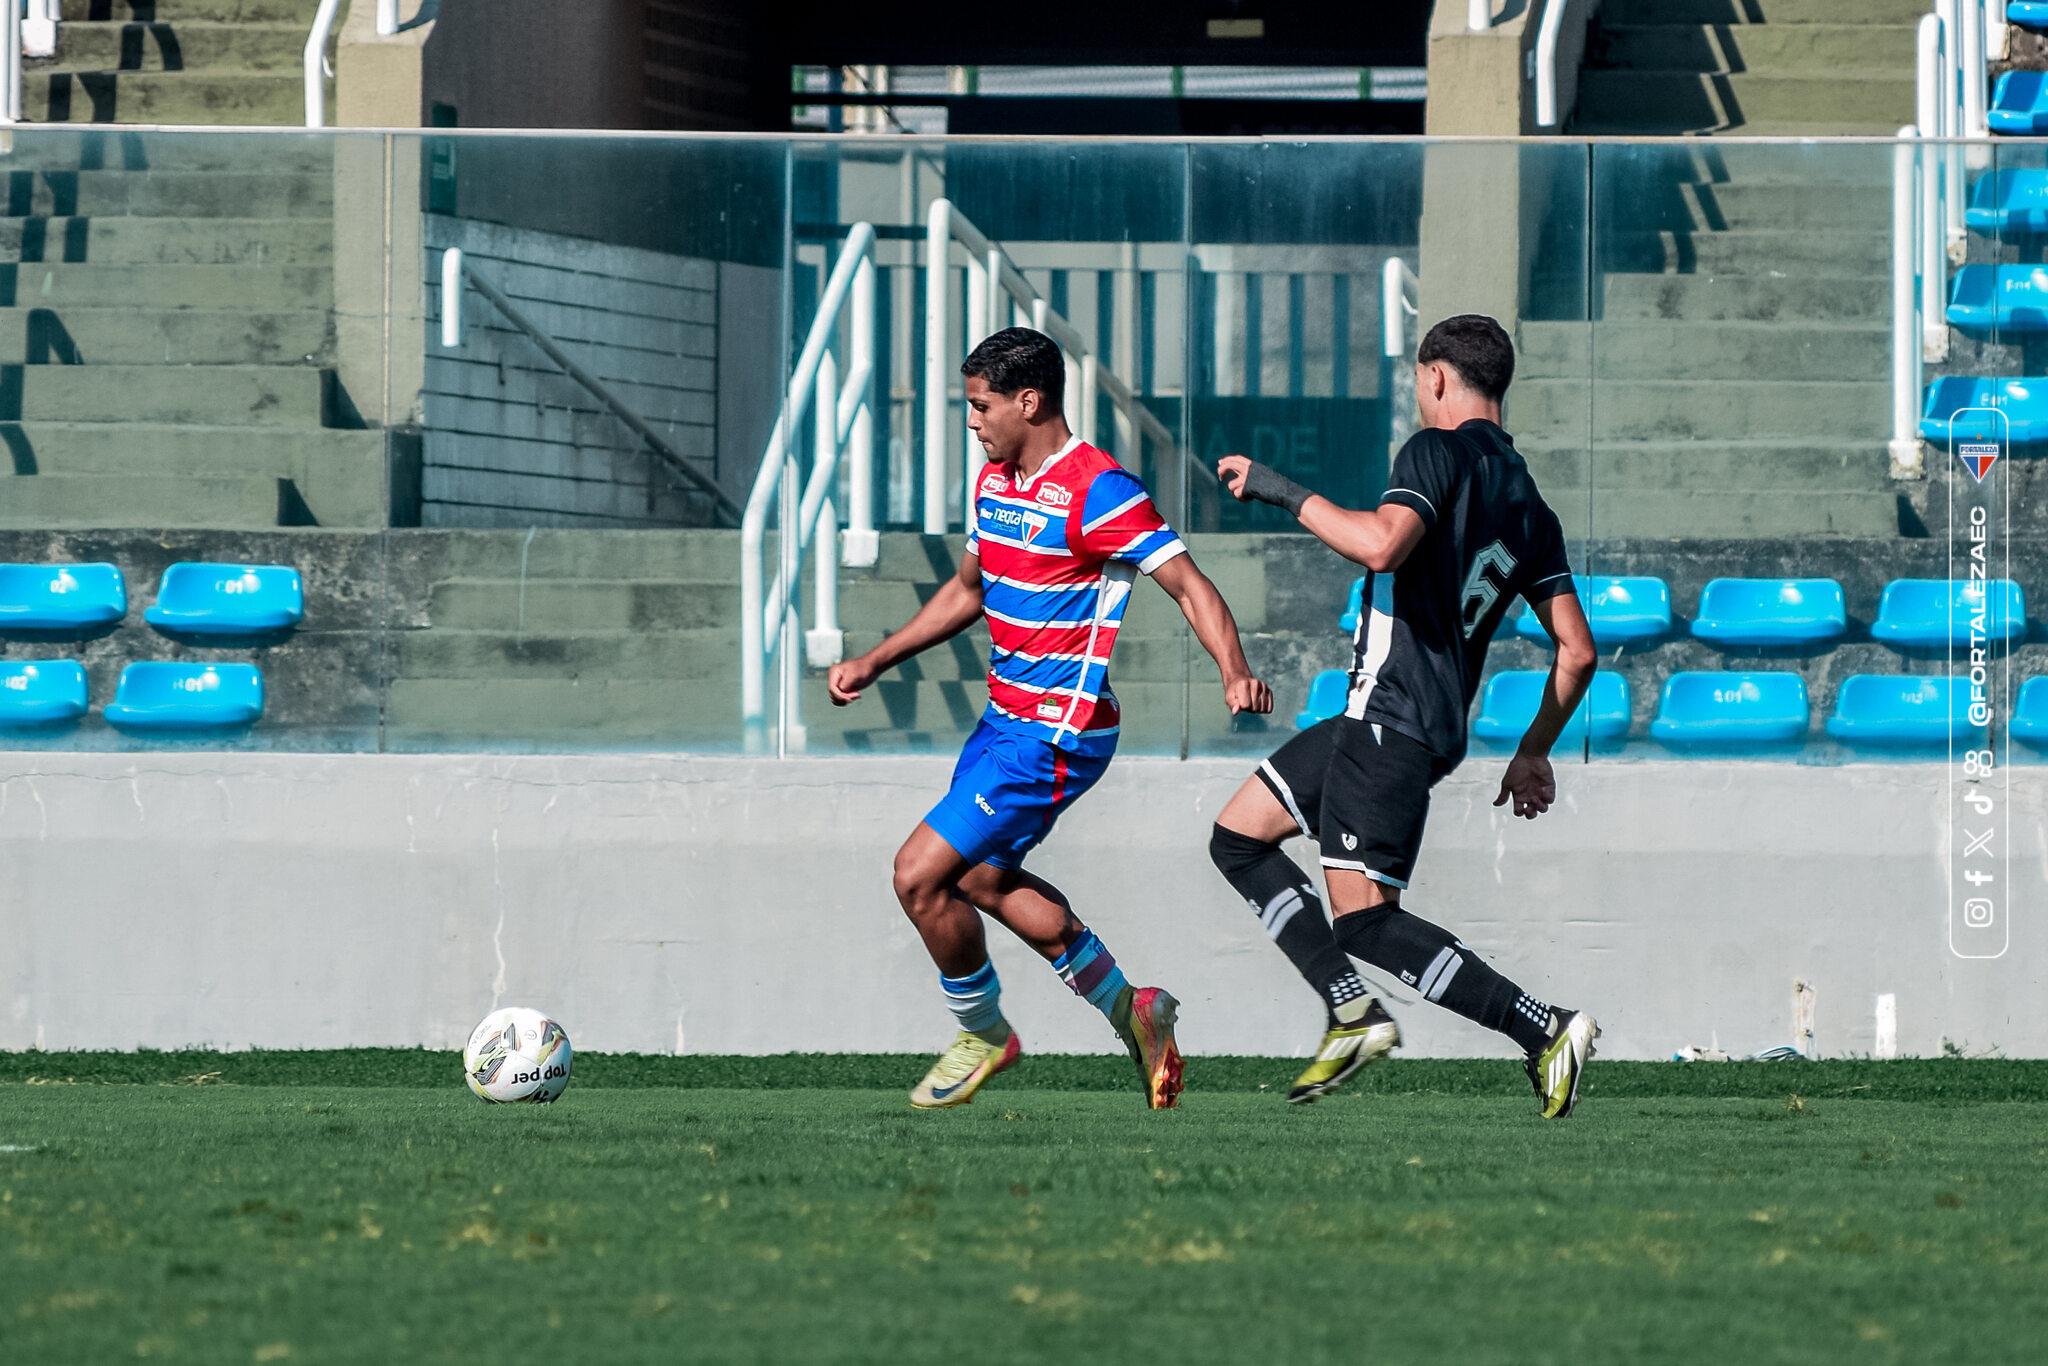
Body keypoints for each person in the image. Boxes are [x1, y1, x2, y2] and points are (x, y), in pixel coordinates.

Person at [829, 326, 1273, 1111]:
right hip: (1003, 723)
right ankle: (1134, 1009)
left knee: (916, 875)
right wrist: (877, 659)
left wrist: (1233, 669)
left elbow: (1189, 584)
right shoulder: (994, 482)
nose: (973, 421)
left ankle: (983, 1034)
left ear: (1028, 401)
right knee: (980, 879)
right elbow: (969, 589)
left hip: (1056, 735)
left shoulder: (1101, 489)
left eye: (981, 405)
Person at [1208, 313, 1602, 1118]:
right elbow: (1578, 652)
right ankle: (1352, 1010)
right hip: (1400, 721)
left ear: (1436, 377)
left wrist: (1278, 488)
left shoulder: (1435, 451)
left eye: (1419, 383)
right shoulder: (1530, 504)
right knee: (1238, 838)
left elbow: (1381, 545)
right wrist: (1533, 751)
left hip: (1390, 716)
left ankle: (1542, 1027)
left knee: (1364, 924)